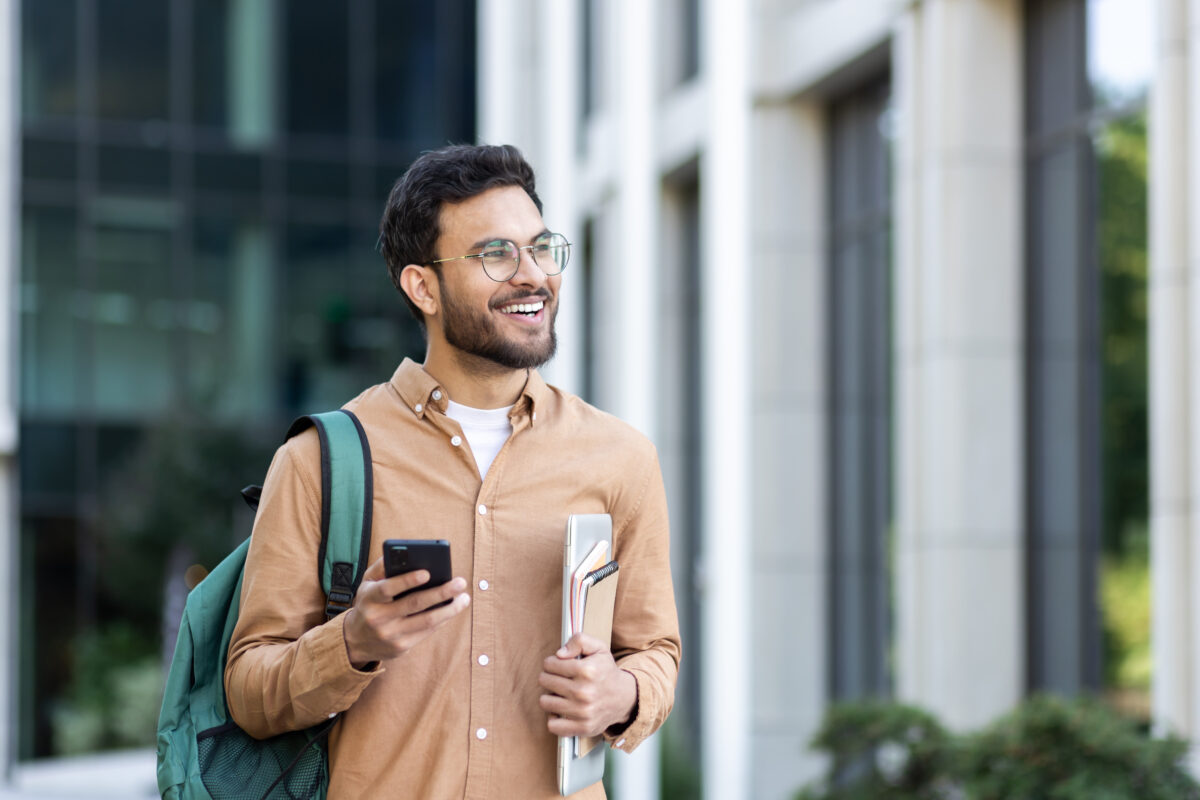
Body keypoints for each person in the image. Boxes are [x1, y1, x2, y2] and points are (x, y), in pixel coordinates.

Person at [224, 144, 681, 798]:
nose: (533, 276)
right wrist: (352, 641)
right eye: (496, 255)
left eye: (541, 247)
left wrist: (623, 693)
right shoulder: (320, 462)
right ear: (422, 286)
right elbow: (249, 691)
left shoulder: (620, 456)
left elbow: (655, 651)